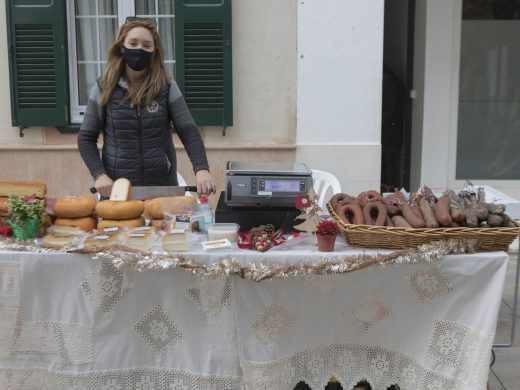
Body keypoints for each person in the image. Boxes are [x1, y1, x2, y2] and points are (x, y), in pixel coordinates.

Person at [77, 18, 216, 197]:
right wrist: (100, 175)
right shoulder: (104, 87)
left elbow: (188, 131)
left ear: (154, 51)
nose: (139, 49)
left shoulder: (166, 86)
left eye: (146, 45)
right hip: (117, 189)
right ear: (122, 47)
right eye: (133, 43)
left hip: (162, 188)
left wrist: (201, 169)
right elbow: (86, 137)